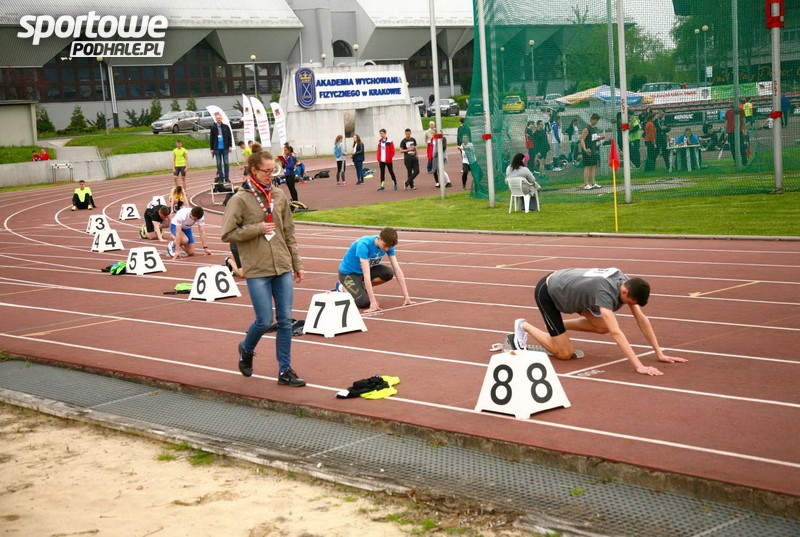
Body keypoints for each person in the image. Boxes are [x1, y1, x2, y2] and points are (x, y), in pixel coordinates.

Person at [220, 150, 306, 387]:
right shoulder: (240, 199)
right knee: (265, 320)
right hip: (257, 268)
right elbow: (227, 233)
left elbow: (289, 231)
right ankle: (246, 349)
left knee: (286, 320)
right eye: (267, 171)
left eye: (273, 170)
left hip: (282, 265)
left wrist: (296, 263)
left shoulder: (278, 195)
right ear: (253, 171)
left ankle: (285, 370)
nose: (271, 175)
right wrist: (257, 228)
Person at [511, 267, 687, 376]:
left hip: (573, 293)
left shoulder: (627, 283)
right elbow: (616, 332)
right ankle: (524, 325)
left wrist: (659, 353)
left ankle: (557, 328)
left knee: (602, 327)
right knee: (565, 354)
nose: (630, 306)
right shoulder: (604, 293)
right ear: (625, 292)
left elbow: (641, 319)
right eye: (630, 302)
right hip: (550, 292)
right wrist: (639, 366)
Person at [334, 227, 413, 313]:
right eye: (385, 245)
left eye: (389, 247)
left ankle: (359, 287)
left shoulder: (388, 244)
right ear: (379, 239)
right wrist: (373, 302)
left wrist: (407, 297)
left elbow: (397, 269)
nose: (386, 249)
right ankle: (341, 287)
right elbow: (366, 274)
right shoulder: (364, 245)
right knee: (364, 303)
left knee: (388, 273)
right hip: (349, 274)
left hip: (366, 271)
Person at [579, 113, 604, 189]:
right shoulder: (586, 129)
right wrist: (585, 149)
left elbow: (594, 139)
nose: (596, 122)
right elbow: (582, 139)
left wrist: (600, 138)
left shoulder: (594, 129)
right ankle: (586, 184)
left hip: (593, 150)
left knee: (593, 166)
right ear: (592, 120)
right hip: (587, 150)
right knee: (587, 166)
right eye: (595, 120)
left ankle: (593, 183)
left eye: (597, 120)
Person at [209, 112, 233, 183]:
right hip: (217, 149)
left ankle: (227, 178)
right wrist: (211, 148)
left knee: (226, 163)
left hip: (225, 148)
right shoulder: (213, 128)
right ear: (215, 119)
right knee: (219, 164)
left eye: (219, 118)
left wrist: (230, 146)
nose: (218, 119)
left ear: (221, 118)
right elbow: (211, 139)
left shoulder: (226, 127)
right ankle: (221, 178)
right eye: (217, 118)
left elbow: (229, 137)